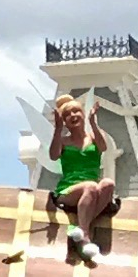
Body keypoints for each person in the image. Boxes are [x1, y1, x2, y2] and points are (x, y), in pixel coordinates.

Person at [43, 96, 115, 266]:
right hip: (68, 191)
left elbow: (103, 147)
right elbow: (53, 156)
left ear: (83, 115)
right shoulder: (62, 141)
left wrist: (93, 122)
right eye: (67, 114)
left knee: (108, 184)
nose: (73, 115)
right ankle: (85, 235)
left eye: (77, 111)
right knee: (91, 187)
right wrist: (57, 130)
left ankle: (81, 228)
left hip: (92, 192)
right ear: (65, 121)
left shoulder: (93, 137)